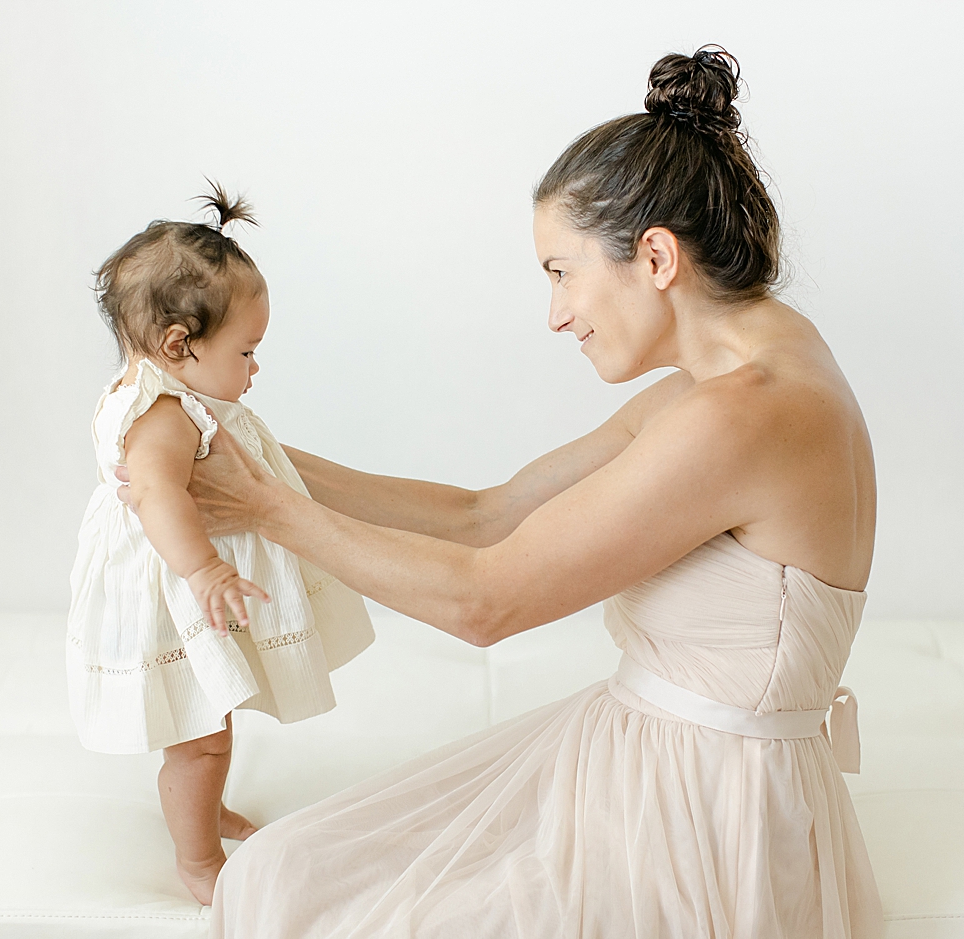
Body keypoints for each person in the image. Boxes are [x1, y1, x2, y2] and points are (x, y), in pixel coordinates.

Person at [127, 46, 884, 937]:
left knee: (323, 909)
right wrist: (242, 455)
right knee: (283, 873)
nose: (557, 313)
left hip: (709, 807)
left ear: (654, 256)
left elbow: (486, 601)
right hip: (635, 746)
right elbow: (487, 514)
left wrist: (269, 511)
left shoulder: (745, 417)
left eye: (561, 272)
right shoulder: (730, 379)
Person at [66, 184, 373, 904]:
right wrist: (205, 570)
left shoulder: (168, 390)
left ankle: (205, 815)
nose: (255, 368)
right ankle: (197, 858)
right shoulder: (164, 416)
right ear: (181, 344)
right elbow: (158, 495)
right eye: (246, 350)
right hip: (174, 590)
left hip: (187, 583)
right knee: (201, 732)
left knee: (211, 723)